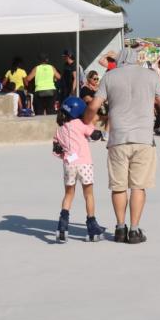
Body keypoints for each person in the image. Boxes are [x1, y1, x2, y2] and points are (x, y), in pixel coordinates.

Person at [82, 44, 160, 244]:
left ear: (121, 60)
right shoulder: (151, 76)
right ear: (136, 59)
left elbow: (94, 105)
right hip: (143, 139)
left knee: (119, 186)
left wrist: (85, 123)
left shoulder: (109, 77)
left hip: (118, 140)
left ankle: (120, 228)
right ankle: (134, 230)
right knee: (138, 187)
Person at [52, 96, 107, 243]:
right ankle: (92, 227)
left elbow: (57, 151)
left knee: (69, 194)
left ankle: (62, 227)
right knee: (88, 194)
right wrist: (100, 132)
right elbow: (94, 134)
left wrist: (68, 155)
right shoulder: (79, 124)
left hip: (69, 164)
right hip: (84, 164)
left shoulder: (59, 130)